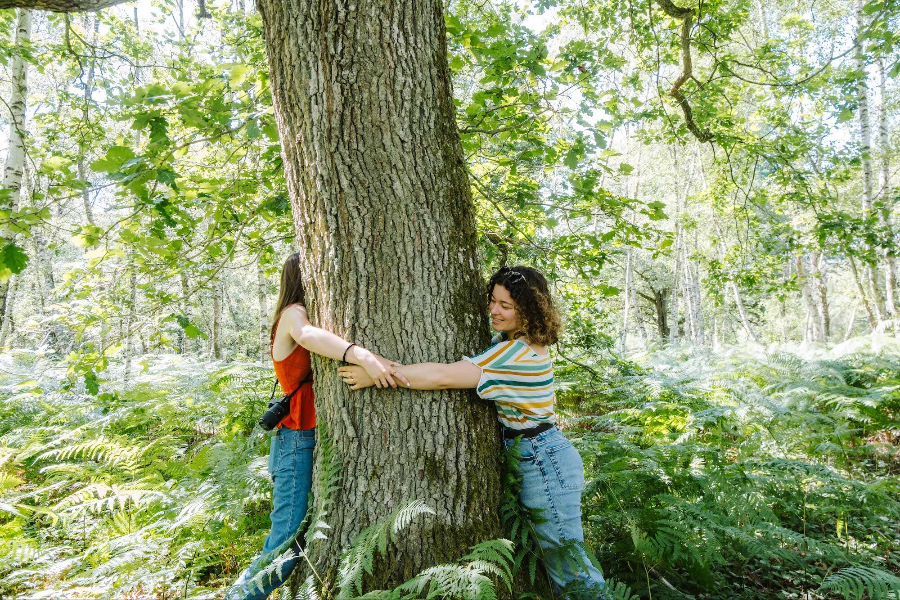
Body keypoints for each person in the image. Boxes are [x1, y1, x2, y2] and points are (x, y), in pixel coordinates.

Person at [338, 265, 607, 598]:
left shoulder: (515, 353)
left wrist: (379, 373)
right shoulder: (515, 341)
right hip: (539, 453)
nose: (494, 310)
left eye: (506, 306)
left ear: (529, 309)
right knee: (559, 563)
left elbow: (444, 376)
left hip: (543, 461)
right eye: (493, 301)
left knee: (570, 568)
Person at [226, 253, 406, 600]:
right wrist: (363, 355)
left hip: (301, 439)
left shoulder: (297, 313)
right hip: (294, 440)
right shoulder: (293, 313)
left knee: (292, 540)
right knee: (286, 546)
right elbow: (308, 336)